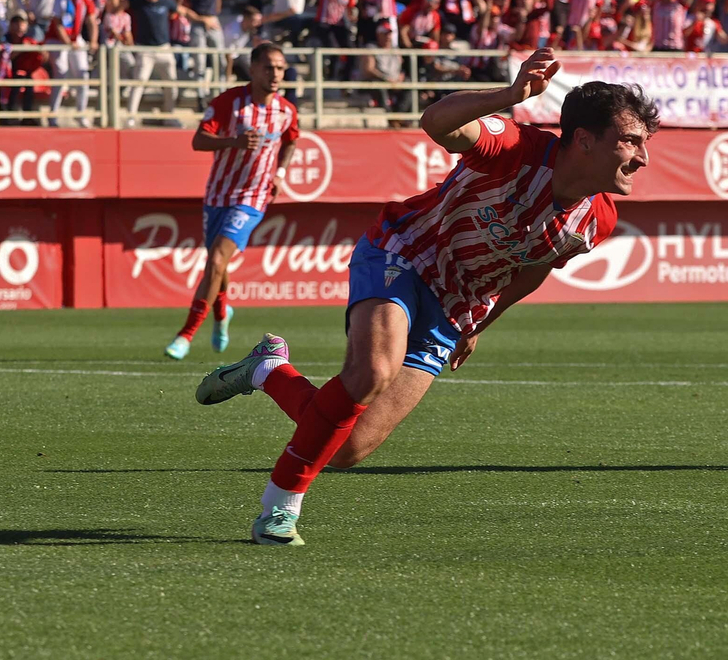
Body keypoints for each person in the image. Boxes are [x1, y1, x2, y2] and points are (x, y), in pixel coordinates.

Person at [193, 50, 658, 545]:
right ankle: (278, 510)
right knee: (372, 373)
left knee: (349, 447)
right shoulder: (518, 146)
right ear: (584, 140)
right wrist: (508, 97)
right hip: (403, 255)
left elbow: (533, 268)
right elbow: (435, 122)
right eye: (631, 141)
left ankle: (267, 370)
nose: (643, 157)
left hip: (455, 309)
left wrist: (480, 323)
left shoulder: (598, 220)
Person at [164, 43, 298, 361]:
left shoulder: (286, 110)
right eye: (269, 67)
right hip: (218, 195)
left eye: (280, 68)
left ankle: (186, 334)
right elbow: (198, 140)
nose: (276, 74)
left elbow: (291, 140)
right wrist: (232, 141)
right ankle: (223, 312)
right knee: (217, 263)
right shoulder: (231, 103)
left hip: (253, 198)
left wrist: (279, 173)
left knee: (216, 258)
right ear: (252, 70)